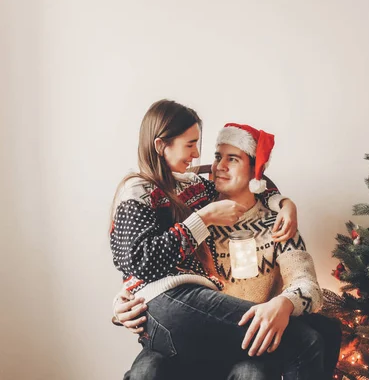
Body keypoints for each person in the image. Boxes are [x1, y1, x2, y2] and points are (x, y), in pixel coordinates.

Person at [110, 100, 328, 380]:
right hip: (180, 321)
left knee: (255, 369)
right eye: (217, 157)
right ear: (161, 144)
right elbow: (140, 256)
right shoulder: (192, 206)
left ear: (254, 172)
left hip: (242, 338)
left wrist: (283, 303)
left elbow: (307, 284)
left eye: (233, 159)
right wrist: (122, 301)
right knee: (147, 372)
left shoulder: (276, 224)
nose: (218, 166)